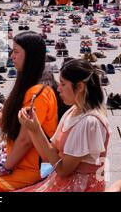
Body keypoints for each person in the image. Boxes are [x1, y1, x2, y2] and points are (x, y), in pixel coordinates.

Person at [0, 32, 58, 192]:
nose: (12, 56)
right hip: (22, 165)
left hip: (34, 170)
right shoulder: (30, 85)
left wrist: (5, 167)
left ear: (31, 56)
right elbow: (15, 127)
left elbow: (25, 140)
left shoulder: (38, 92)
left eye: (16, 51)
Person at [17, 59, 109, 192]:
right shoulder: (73, 111)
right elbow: (48, 156)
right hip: (65, 182)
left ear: (80, 87)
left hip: (80, 187)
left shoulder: (89, 122)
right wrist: (33, 129)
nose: (58, 89)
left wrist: (36, 129)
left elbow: (63, 170)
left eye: (63, 84)